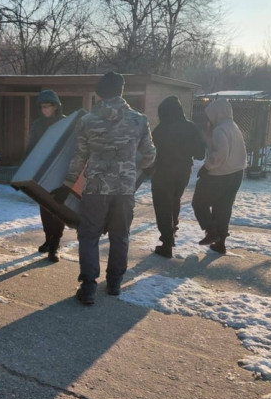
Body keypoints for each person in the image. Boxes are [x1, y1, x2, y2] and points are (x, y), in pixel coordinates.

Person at [58, 71, 156, 305]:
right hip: (124, 190)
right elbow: (150, 155)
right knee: (120, 236)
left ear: (100, 93)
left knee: (89, 236)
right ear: (121, 92)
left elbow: (79, 156)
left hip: (95, 189)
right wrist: (132, 169)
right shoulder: (139, 120)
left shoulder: (88, 121)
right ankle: (114, 283)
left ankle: (89, 286)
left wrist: (68, 184)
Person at [150, 95, 206, 258]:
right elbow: (200, 154)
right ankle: (172, 232)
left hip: (163, 171)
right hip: (183, 171)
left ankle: (166, 243)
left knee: (162, 205)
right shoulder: (191, 127)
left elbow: (150, 152)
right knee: (175, 200)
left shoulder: (160, 130)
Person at [191, 97, 247, 254]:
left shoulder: (220, 129)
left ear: (217, 113)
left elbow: (221, 153)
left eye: (211, 114)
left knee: (199, 203)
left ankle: (211, 232)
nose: (209, 117)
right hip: (237, 173)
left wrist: (207, 167)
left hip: (221, 174)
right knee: (223, 207)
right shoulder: (233, 126)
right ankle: (220, 243)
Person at [25, 88, 66, 263]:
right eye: (42, 107)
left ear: (56, 107)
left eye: (48, 106)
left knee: (58, 210)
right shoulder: (37, 125)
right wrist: (27, 168)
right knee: (45, 209)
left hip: (60, 173)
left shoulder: (66, 123)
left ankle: (55, 244)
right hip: (42, 173)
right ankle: (48, 239)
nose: (45, 110)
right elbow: (31, 147)